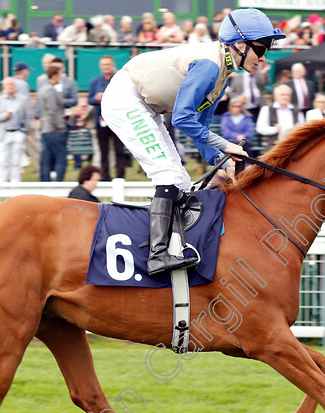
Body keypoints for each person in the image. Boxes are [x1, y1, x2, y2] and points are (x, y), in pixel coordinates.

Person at [102, 8, 284, 275]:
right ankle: (157, 255)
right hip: (126, 98)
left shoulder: (223, 71)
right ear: (240, 44)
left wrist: (220, 162)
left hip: (145, 104)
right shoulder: (211, 66)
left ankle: (174, 248)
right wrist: (225, 145)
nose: (264, 57)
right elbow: (182, 119)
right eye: (261, 48)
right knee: (166, 174)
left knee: (181, 180)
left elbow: (199, 125)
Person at [88, 55, 127, 180]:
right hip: (101, 120)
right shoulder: (95, 82)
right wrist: (96, 98)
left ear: (112, 65)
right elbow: (90, 99)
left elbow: (125, 96)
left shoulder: (119, 79)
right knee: (103, 151)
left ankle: (120, 176)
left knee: (119, 150)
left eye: (108, 64)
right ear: (100, 66)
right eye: (104, 65)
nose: (106, 67)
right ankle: (105, 176)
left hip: (117, 119)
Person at [0, 77, 30, 183]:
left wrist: (24, 131)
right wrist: (4, 116)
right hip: (4, 133)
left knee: (16, 160)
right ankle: (0, 183)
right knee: (3, 160)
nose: (10, 86)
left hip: (17, 132)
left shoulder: (22, 100)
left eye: (12, 84)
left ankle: (15, 183)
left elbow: (28, 116)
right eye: (8, 84)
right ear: (4, 86)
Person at [39, 65, 68, 182]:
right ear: (55, 75)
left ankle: (45, 183)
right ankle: (58, 183)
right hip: (54, 129)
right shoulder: (50, 89)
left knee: (47, 158)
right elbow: (53, 111)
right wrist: (61, 126)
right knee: (61, 158)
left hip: (46, 129)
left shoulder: (42, 88)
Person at [12, 62, 39, 178]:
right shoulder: (22, 84)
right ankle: (41, 170)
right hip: (24, 121)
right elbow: (25, 103)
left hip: (13, 121)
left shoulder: (12, 82)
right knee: (36, 147)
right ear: (23, 71)